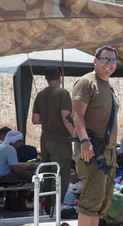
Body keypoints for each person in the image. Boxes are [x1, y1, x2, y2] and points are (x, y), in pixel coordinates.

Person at [71, 45, 119, 226]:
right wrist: (84, 142)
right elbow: (76, 115)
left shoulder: (108, 86)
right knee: (91, 195)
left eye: (113, 60)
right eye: (105, 59)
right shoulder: (86, 82)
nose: (109, 63)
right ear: (95, 60)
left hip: (108, 151)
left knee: (104, 197)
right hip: (92, 150)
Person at [32, 66, 75, 216]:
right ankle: (58, 207)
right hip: (60, 140)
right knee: (61, 175)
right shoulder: (63, 93)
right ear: (60, 77)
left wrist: (48, 118)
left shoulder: (40, 94)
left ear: (46, 78)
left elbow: (35, 120)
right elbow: (66, 117)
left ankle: (48, 207)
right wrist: (77, 136)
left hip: (45, 140)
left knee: (49, 175)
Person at [0, 130, 37, 211]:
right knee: (26, 174)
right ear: (16, 141)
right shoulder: (10, 149)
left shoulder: (1, 146)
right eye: (20, 142)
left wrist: (22, 165)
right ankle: (19, 204)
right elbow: (17, 170)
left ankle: (9, 203)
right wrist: (31, 166)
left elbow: (11, 166)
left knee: (12, 175)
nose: (20, 144)